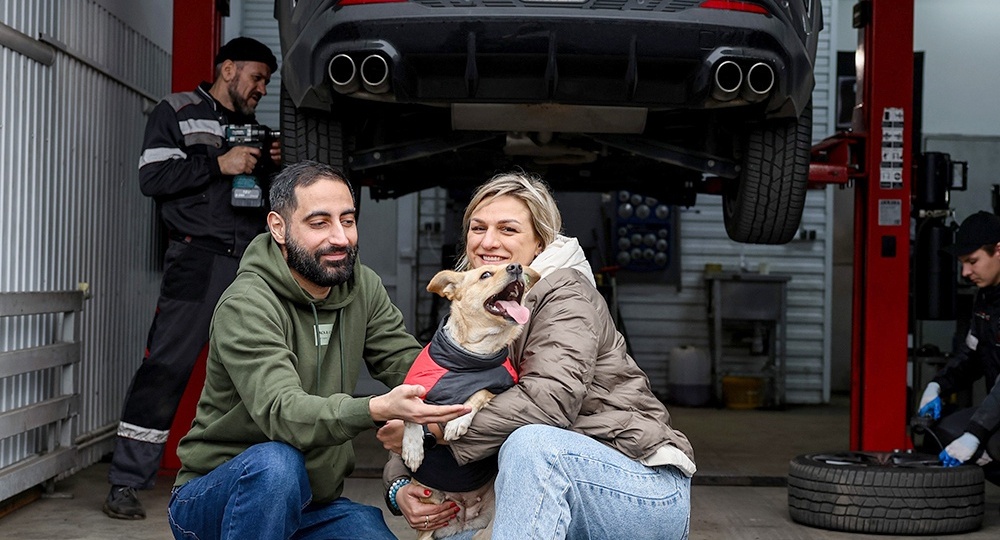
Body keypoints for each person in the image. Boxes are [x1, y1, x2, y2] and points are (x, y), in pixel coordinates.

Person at [165, 160, 471, 539]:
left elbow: (407, 366)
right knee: (276, 464)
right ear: (278, 227)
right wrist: (376, 408)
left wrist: (478, 380)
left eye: (348, 220)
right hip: (220, 498)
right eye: (319, 222)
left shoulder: (362, 286)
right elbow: (283, 412)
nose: (340, 237)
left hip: (313, 504)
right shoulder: (246, 304)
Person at [380, 172, 695, 539]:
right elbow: (426, 399)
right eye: (478, 228)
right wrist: (398, 484)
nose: (489, 241)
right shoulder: (476, 307)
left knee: (530, 444)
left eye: (508, 230)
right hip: (553, 482)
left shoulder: (566, 296)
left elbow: (550, 404)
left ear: (540, 244)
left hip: (639, 486)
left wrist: (434, 433)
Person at [104, 37, 286, 519]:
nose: (261, 88)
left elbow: (266, 199)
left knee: (258, 372)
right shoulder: (177, 110)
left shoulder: (255, 128)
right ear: (228, 69)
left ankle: (254, 478)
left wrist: (270, 164)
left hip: (249, 266)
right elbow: (152, 178)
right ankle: (126, 481)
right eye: (256, 77)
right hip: (196, 260)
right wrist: (219, 163)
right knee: (166, 367)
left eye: (266, 81)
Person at [918, 210, 1000, 477]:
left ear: (998, 250)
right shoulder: (986, 297)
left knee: (988, 443)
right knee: (942, 432)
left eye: (972, 261)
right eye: (963, 263)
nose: (965, 272)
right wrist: (938, 385)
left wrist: (976, 433)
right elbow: (974, 354)